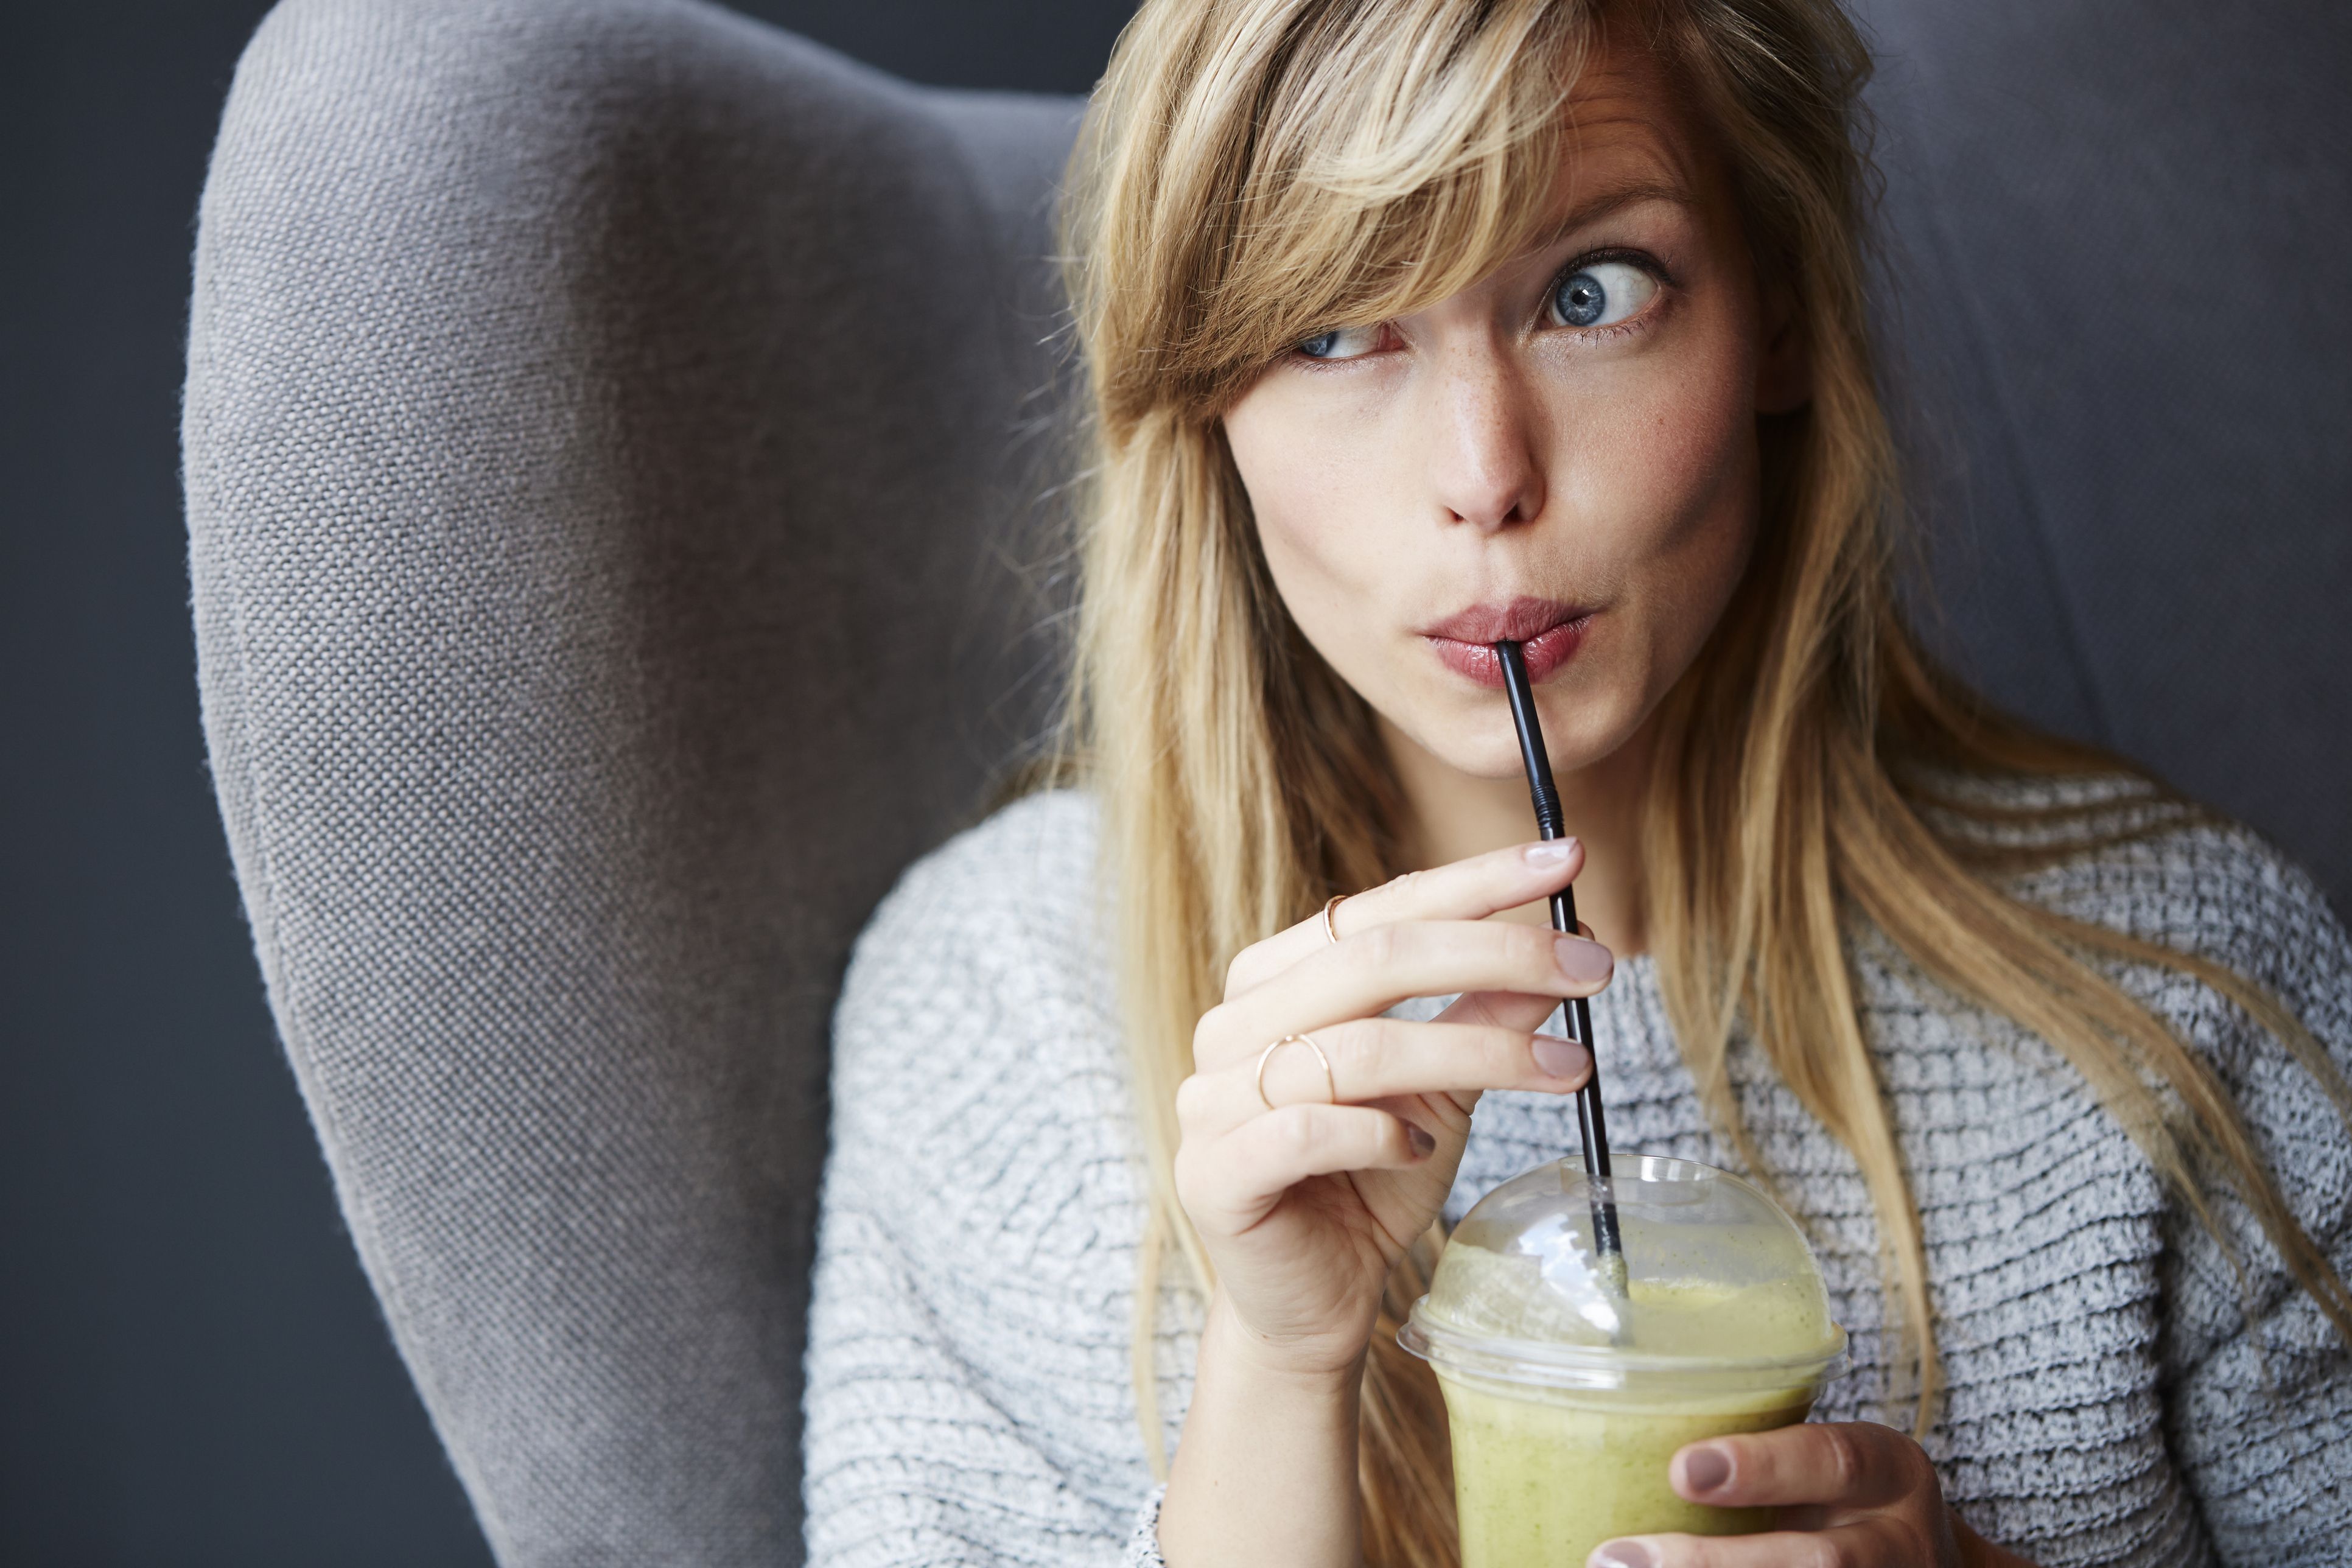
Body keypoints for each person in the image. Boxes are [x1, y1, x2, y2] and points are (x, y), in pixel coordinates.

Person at [801, 0, 2352, 1564]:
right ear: (1209, 398)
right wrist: (1276, 1372)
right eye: (1335, 329)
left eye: (1591, 293)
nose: (1486, 476)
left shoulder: (2190, 996)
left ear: (1780, 309)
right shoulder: (1003, 1008)